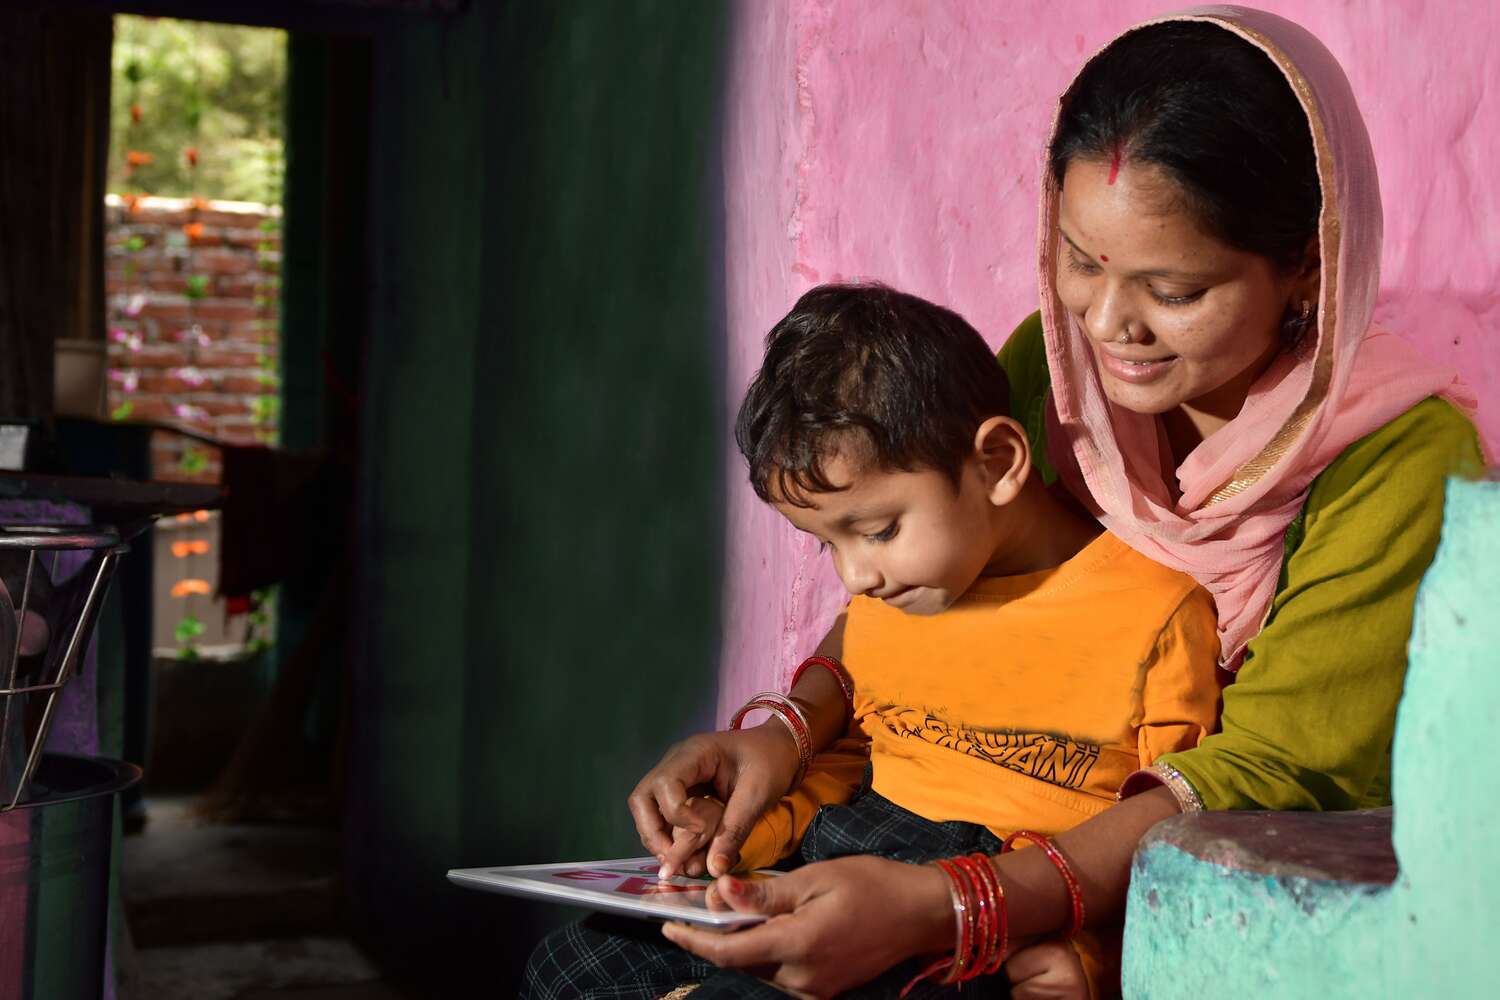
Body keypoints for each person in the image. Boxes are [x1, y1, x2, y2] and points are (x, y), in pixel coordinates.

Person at [605, 7, 1485, 999]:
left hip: (1175, 913)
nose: (1110, 326)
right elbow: (933, 609)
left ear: (1307, 267)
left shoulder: (1401, 465)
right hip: (949, 849)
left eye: (1174, 290)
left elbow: (1262, 778)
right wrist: (782, 730)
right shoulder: (1051, 378)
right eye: (1081, 258)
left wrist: (951, 905)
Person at [523, 282, 1220, 999]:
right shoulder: (901, 594)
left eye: (879, 530)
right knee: (570, 970)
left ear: (1000, 463)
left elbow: (1171, 847)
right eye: (826, 544)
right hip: (836, 854)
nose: (856, 575)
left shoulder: (1157, 617)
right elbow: (853, 762)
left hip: (976, 922)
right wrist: (734, 841)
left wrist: (1095, 961)